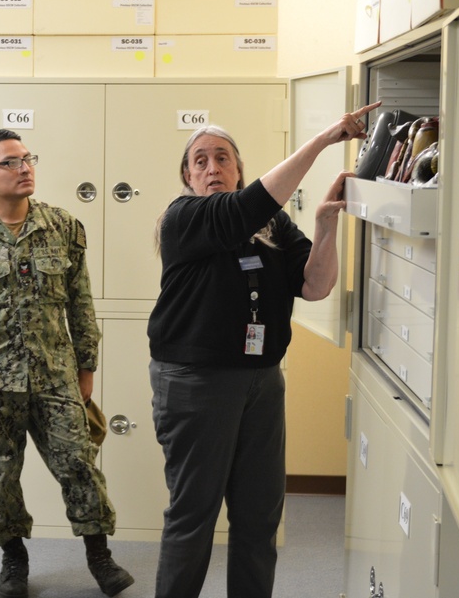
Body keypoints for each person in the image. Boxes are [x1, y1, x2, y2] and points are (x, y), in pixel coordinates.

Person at [147, 102, 381, 597]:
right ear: (188, 176)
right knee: (193, 516)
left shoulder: (274, 227)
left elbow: (314, 287)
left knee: (258, 516)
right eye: (201, 161)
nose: (213, 168)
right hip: (196, 383)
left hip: (261, 382)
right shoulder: (184, 217)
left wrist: (324, 226)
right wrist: (322, 140)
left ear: (239, 169)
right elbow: (246, 206)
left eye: (223, 159)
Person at [0, 129, 135, 598]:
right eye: (10, 162)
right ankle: (13, 559)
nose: (24, 168)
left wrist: (87, 367)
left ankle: (99, 556)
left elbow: (81, 303)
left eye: (27, 158)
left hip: (55, 374)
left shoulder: (63, 226)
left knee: (79, 466)